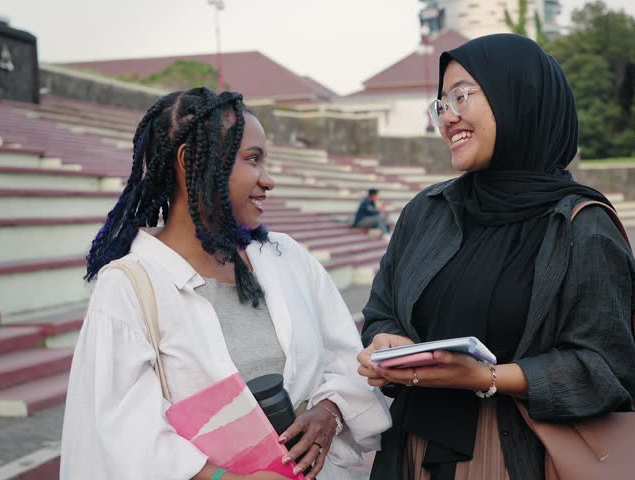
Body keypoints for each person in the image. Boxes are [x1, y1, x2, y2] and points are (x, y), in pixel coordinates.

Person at [356, 34, 635, 480]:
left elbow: (605, 369)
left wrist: (488, 377)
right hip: (411, 452)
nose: (447, 118)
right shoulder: (428, 211)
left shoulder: (581, 225)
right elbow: (382, 311)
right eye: (441, 105)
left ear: (520, 97)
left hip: (514, 457)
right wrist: (388, 344)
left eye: (462, 96)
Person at [60, 87, 391, 480]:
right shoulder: (130, 287)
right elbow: (121, 436)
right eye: (252, 159)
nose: (267, 180)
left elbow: (347, 362)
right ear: (189, 163)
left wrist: (329, 414)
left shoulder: (285, 257)